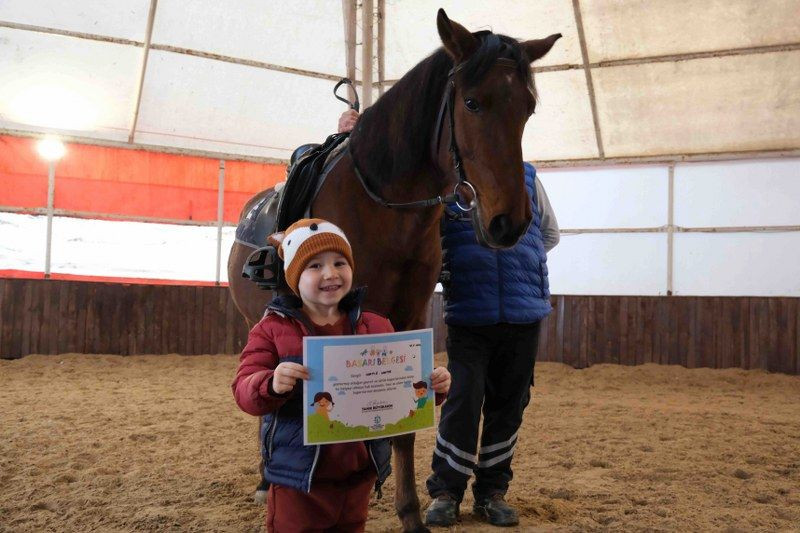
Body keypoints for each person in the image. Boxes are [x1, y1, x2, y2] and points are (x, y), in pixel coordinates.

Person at [338, 110, 559, 527]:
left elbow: (549, 233)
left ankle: (492, 492)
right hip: (470, 316)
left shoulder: (528, 177)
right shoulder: (446, 191)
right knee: (462, 401)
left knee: (509, 406)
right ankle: (446, 491)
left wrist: (518, 265)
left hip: (525, 313)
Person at [232, 217, 452, 533]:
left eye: (339, 262)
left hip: (358, 476)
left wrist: (433, 387)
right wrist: (270, 383)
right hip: (299, 478)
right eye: (314, 266)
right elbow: (243, 388)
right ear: (293, 276)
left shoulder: (377, 326)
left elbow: (400, 391)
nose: (330, 273)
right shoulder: (271, 329)